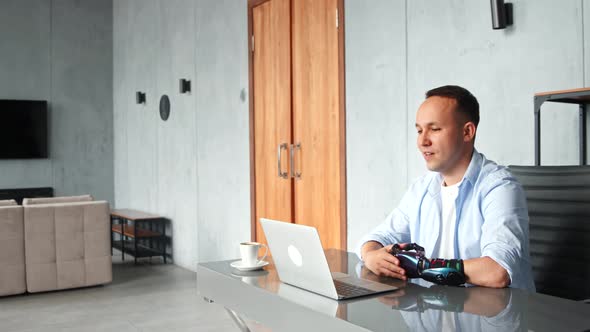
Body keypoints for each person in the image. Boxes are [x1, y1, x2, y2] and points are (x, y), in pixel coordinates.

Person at [357, 85, 535, 290]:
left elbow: (497, 271)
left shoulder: (500, 188)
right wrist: (371, 255)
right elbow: (380, 236)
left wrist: (422, 267)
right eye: (419, 130)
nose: (423, 141)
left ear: (467, 131)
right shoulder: (421, 189)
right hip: (438, 311)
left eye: (434, 129)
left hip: (494, 317)